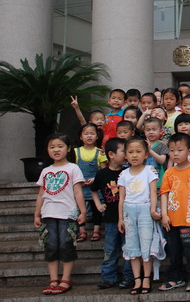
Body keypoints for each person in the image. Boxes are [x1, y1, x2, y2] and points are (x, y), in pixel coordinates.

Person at [34, 133, 86, 295]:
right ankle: (53, 280)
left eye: (60, 146)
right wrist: (36, 214)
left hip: (67, 214)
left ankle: (66, 279)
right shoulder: (46, 171)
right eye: (52, 147)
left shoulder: (73, 168)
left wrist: (83, 211)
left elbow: (78, 192)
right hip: (48, 213)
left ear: (68, 149)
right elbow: (41, 194)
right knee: (50, 245)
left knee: (66, 244)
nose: (56, 150)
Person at [159, 133, 190, 292]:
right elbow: (164, 193)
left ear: (189, 151)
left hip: (189, 220)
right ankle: (175, 278)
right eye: (172, 150)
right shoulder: (169, 172)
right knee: (174, 252)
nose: (175, 154)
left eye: (180, 150)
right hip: (171, 220)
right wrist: (164, 214)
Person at [117, 139, 160, 295]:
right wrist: (120, 218)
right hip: (129, 211)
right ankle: (137, 280)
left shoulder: (149, 170)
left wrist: (153, 210)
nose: (134, 155)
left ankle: (146, 278)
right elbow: (121, 198)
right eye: (130, 152)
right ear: (126, 155)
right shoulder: (123, 174)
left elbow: (153, 192)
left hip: (145, 210)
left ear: (146, 154)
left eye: (138, 151)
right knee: (132, 246)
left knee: (146, 244)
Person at [90, 138, 133, 289]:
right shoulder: (102, 174)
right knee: (110, 249)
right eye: (123, 151)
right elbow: (93, 190)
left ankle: (129, 276)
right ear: (111, 154)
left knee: (129, 248)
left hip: (128, 217)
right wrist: (98, 204)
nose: (127, 154)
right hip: (110, 219)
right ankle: (109, 277)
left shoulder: (128, 172)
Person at [74, 123, 106, 242]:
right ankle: (82, 231)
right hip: (80, 186)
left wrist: (95, 179)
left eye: (92, 133)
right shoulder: (75, 152)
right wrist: (79, 180)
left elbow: (103, 171)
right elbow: (72, 169)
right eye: (86, 133)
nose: (89, 136)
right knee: (79, 209)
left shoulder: (100, 152)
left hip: (95, 187)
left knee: (96, 209)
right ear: (81, 137)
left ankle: (96, 230)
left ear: (97, 136)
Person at [143, 117, 169, 188]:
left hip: (158, 179)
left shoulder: (162, 145)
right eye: (148, 130)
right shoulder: (142, 144)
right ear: (144, 131)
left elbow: (162, 160)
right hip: (144, 180)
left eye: (154, 129)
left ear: (161, 131)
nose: (151, 132)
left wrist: (150, 151)